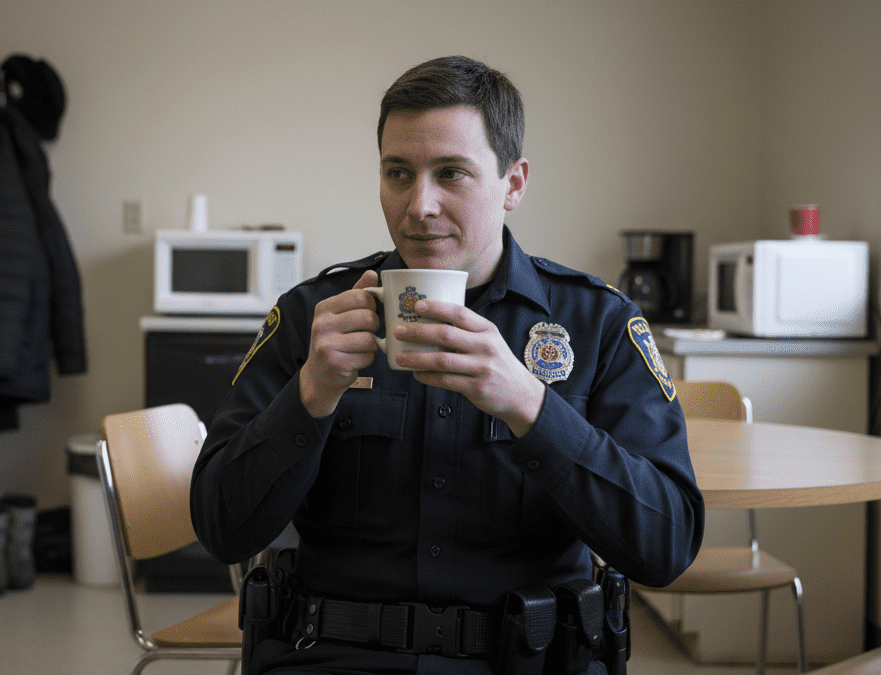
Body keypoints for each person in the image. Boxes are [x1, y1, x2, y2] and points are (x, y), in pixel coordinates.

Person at [190, 55, 704, 675]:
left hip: (530, 660)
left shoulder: (598, 325)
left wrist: (530, 406)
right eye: (398, 173)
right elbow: (222, 528)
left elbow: (666, 547)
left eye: (451, 174)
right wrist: (310, 395)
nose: (419, 205)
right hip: (331, 655)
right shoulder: (313, 318)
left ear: (513, 183)